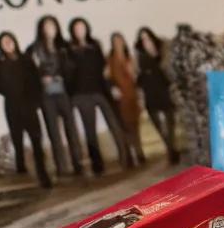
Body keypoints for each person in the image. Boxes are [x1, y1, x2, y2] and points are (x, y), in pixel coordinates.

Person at [67, 17, 131, 173]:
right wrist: (72, 96)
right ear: (73, 31)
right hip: (82, 94)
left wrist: (110, 87)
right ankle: (98, 165)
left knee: (114, 124)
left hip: (99, 91)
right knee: (90, 131)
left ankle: (126, 158)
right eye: (77, 28)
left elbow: (103, 70)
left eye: (82, 27)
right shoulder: (70, 49)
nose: (80, 31)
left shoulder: (94, 45)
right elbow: (69, 73)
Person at [0, 31, 52, 189]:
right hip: (12, 107)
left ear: (14, 41)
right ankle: (23, 174)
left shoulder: (26, 58)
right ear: (0, 46)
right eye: (4, 42)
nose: (8, 44)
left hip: (29, 106)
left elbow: (37, 80)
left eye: (9, 40)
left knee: (36, 141)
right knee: (18, 141)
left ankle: (43, 176)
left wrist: (36, 101)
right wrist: (9, 91)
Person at [26, 16, 83, 178]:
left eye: (53, 25)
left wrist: (63, 76)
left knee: (71, 128)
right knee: (54, 132)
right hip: (46, 95)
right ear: (42, 28)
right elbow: (29, 74)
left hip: (63, 91)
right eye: (47, 26)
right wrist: (41, 78)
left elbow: (72, 68)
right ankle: (62, 168)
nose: (51, 28)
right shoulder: (33, 49)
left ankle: (77, 162)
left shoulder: (63, 46)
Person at [135, 26, 180, 164]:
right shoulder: (140, 57)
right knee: (158, 124)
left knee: (170, 122)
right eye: (143, 39)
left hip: (164, 91)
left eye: (147, 38)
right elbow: (139, 78)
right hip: (150, 93)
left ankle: (172, 149)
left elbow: (169, 71)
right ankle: (170, 148)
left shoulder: (163, 52)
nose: (146, 42)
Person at [106, 31, 145, 166]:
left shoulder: (130, 58)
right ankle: (129, 155)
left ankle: (139, 153)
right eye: (115, 41)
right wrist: (113, 88)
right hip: (120, 97)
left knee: (135, 125)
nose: (118, 43)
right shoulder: (110, 59)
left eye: (120, 40)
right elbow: (107, 76)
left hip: (132, 94)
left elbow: (136, 77)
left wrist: (132, 71)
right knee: (125, 126)